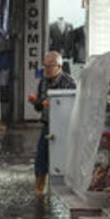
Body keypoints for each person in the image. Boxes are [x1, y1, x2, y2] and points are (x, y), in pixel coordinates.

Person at [29, 50, 74, 196]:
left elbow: (73, 107)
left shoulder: (69, 82)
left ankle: (64, 187)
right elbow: (39, 107)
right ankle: (40, 188)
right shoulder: (43, 82)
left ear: (59, 67)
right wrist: (36, 102)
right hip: (48, 124)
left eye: (50, 66)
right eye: (45, 66)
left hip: (65, 127)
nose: (46, 69)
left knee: (62, 157)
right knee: (41, 157)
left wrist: (55, 105)